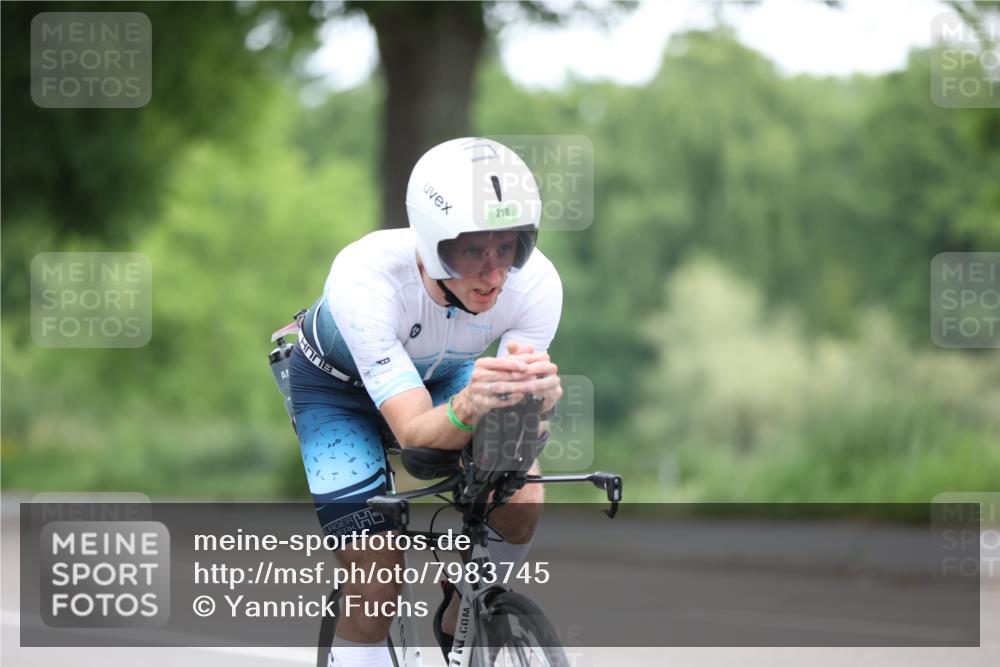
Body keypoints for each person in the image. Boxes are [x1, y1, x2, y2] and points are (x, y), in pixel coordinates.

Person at [288, 137, 563, 666]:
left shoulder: (536, 285)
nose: (494, 273)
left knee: (523, 494)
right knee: (375, 582)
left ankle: (464, 609)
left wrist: (534, 408)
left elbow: (512, 416)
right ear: (434, 244)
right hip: (337, 393)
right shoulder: (366, 277)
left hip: (440, 375)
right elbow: (415, 434)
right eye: (472, 251)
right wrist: (473, 406)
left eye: (507, 247)